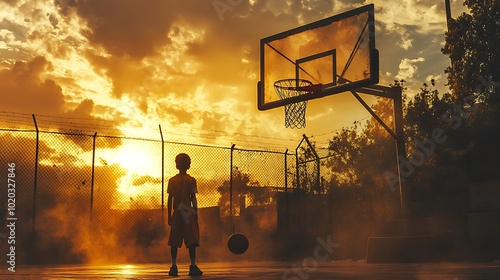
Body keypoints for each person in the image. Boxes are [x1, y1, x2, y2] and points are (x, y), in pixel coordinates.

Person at [167, 153, 203, 276]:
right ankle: (192, 266)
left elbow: (170, 199)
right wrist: (196, 212)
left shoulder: (172, 181)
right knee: (192, 240)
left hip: (177, 212)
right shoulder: (191, 180)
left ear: (176, 165)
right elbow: (193, 198)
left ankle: (173, 266)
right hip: (187, 213)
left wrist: (169, 215)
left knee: (174, 241)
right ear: (188, 165)